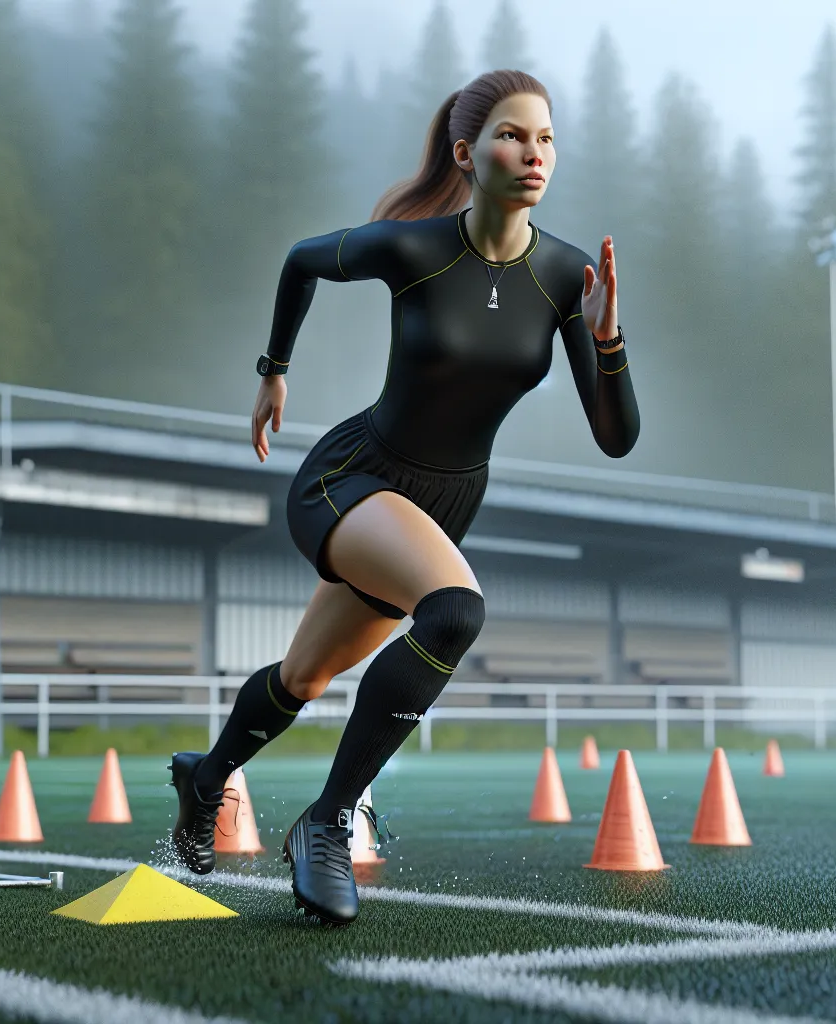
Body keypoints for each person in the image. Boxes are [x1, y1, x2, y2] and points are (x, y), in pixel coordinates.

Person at [168, 69, 639, 925]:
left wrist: (607, 342)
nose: (533, 154)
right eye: (511, 135)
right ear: (466, 152)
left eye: (546, 139)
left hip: (442, 507)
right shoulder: (416, 249)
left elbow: (615, 435)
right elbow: (300, 261)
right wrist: (273, 373)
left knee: (303, 676)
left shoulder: (569, 277)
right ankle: (328, 820)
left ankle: (204, 780)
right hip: (351, 479)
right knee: (455, 611)